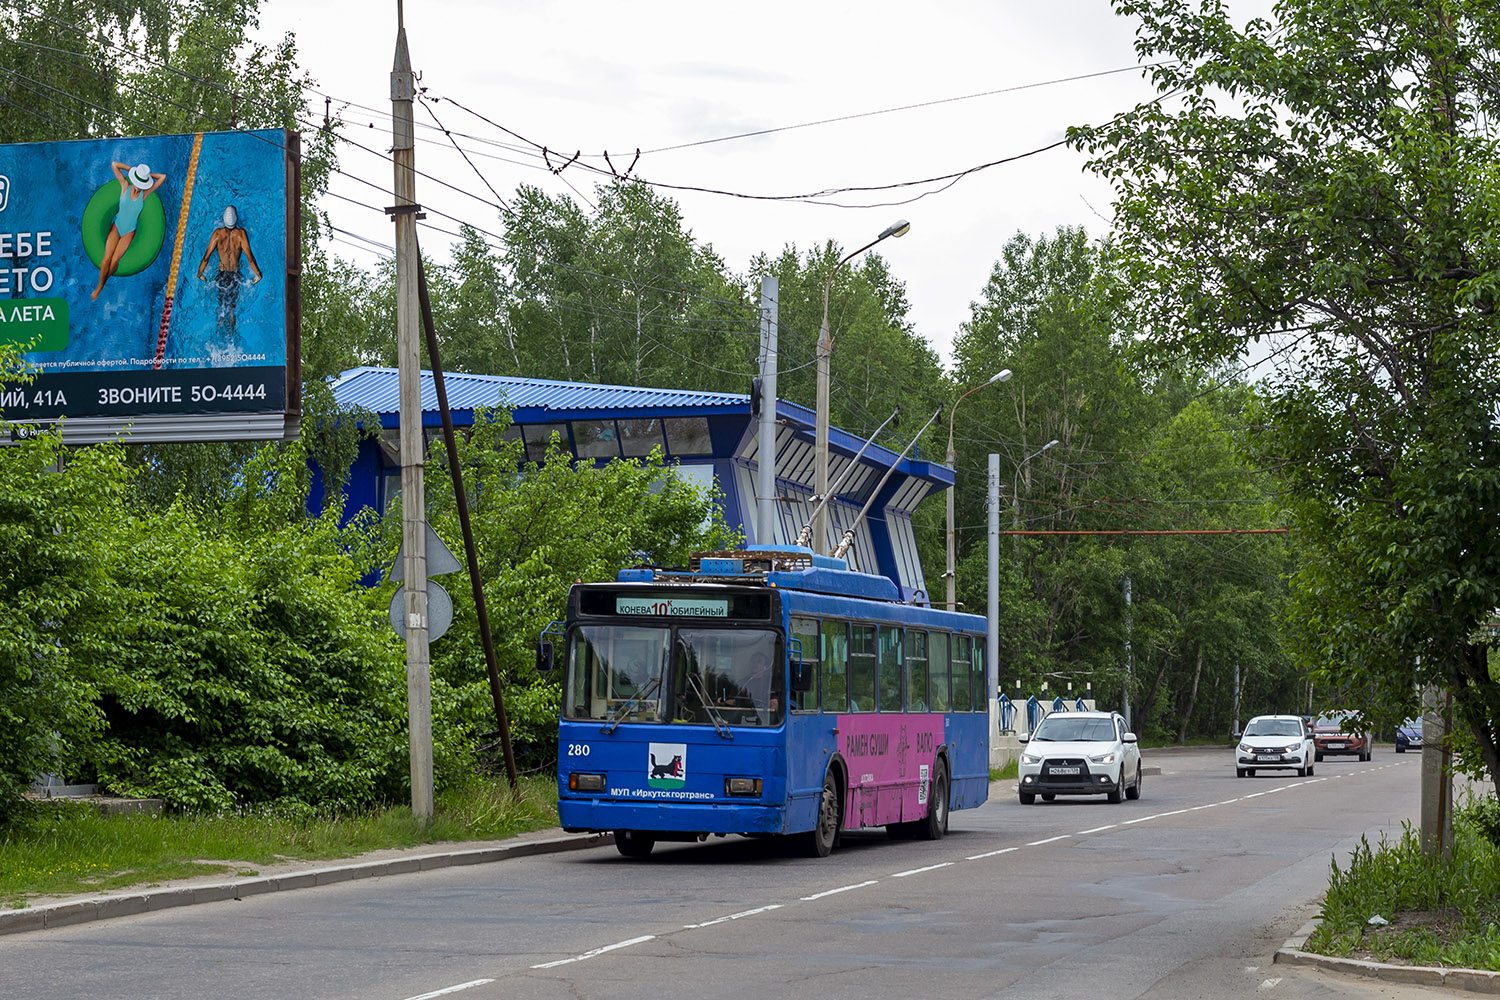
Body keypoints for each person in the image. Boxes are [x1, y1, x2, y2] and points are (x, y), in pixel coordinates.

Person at [92, 162, 166, 301]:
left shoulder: (144, 194)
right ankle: (99, 286)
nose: (138, 187)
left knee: (115, 261)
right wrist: (133, 170)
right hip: (117, 227)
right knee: (106, 259)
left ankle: (103, 283)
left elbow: (162, 177)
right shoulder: (125, 185)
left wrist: (146, 176)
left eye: (142, 184)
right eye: (138, 182)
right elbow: (114, 165)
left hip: (129, 232)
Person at [198, 205, 262, 336]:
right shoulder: (241, 234)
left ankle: (217, 334)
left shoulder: (217, 234)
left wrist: (200, 273)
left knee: (221, 308)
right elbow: (250, 259)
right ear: (236, 219)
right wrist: (258, 274)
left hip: (222, 276)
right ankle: (232, 335)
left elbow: (206, 257)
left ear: (223, 219)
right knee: (232, 310)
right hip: (235, 276)